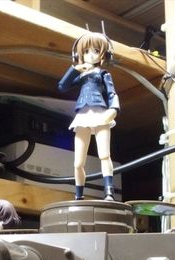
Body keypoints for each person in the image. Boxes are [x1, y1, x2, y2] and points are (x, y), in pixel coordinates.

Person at [58, 30, 120, 201]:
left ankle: (109, 192)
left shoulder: (103, 74)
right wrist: (74, 69)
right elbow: (62, 86)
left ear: (104, 54)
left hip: (100, 114)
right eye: (86, 51)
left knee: (104, 155)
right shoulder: (82, 76)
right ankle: (79, 195)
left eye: (95, 50)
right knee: (78, 162)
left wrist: (114, 109)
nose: (90, 55)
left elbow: (112, 94)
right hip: (83, 116)